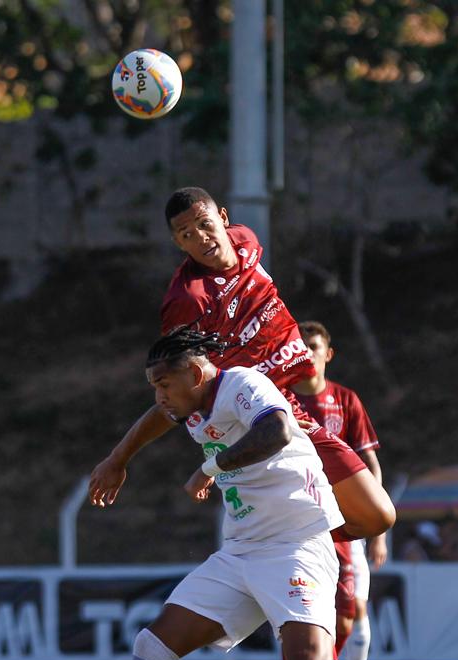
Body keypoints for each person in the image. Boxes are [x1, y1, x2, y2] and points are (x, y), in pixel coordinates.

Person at [49, 329, 424, 660]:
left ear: (197, 372)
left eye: (164, 383)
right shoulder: (186, 402)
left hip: (297, 545)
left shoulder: (241, 384)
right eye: (153, 386)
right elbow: (155, 419)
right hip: (243, 551)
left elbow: (278, 430)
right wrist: (118, 459)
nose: (159, 396)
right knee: (153, 645)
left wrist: (212, 465)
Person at [86, 187, 396, 545]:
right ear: (178, 243)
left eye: (205, 225)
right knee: (362, 518)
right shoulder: (189, 300)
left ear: (223, 218)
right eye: (187, 235)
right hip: (247, 417)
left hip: (286, 405)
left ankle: (281, 542)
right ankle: (276, 549)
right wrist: (118, 458)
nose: (201, 238)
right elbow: (177, 387)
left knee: (377, 517)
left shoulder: (245, 240)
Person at [282, 321, 389, 660]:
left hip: (345, 525)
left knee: (352, 616)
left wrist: (376, 527)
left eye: (313, 346)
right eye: (300, 347)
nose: (306, 353)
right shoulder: (279, 398)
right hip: (297, 523)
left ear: (328, 353)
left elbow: (369, 465)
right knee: (294, 617)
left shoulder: (345, 400)